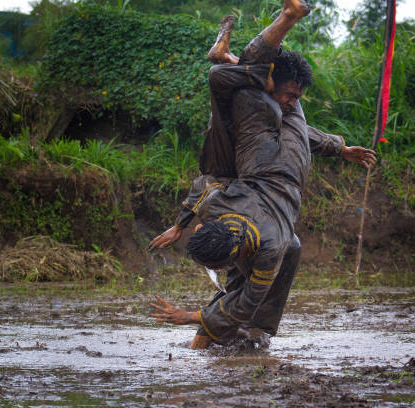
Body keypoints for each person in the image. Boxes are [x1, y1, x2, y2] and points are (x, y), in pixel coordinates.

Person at [150, 0, 376, 349]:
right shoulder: (260, 239)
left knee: (259, 86)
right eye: (288, 94)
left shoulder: (235, 218)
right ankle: (233, 337)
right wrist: (181, 225)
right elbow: (208, 185)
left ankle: (286, 18)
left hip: (263, 166)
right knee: (292, 249)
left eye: (291, 96)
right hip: (281, 180)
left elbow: (206, 184)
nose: (291, 102)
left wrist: (190, 313)